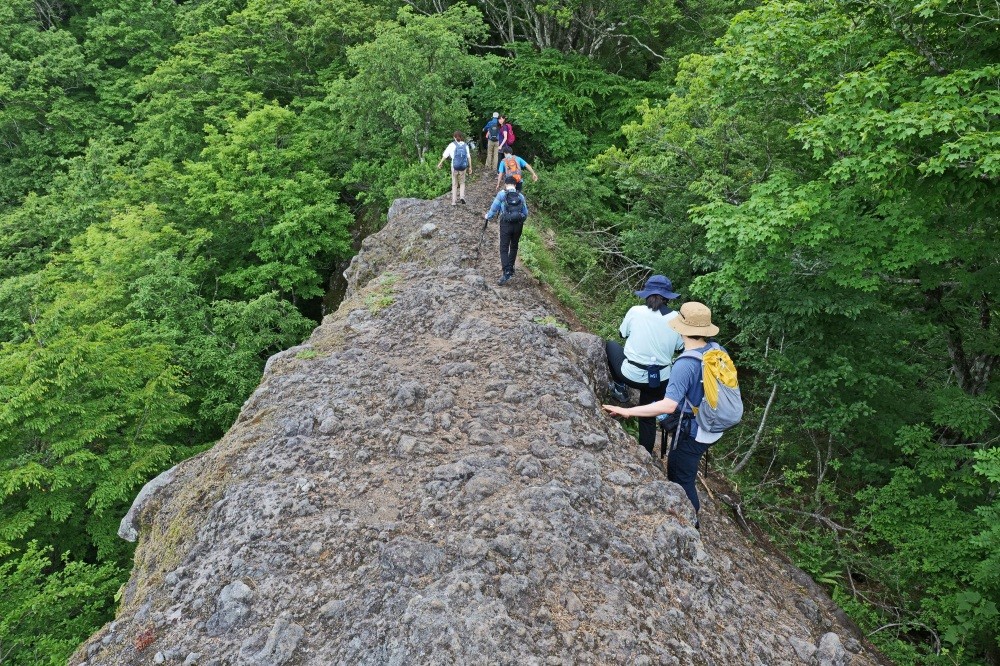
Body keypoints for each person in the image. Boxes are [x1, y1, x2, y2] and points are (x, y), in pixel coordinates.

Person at [603, 302, 725, 526]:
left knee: (680, 478)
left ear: (680, 328)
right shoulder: (716, 351)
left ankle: (691, 524)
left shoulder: (685, 364)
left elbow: (667, 406)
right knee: (684, 472)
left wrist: (627, 411)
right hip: (714, 425)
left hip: (694, 432)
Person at [605, 275, 684, 457]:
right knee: (647, 417)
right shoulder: (677, 319)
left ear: (646, 294)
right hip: (658, 381)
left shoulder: (635, 311)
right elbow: (680, 348)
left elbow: (622, 334)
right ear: (667, 297)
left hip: (629, 374)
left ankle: (620, 389)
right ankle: (645, 453)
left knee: (611, 345)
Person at [484, 176, 528, 285]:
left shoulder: (502, 194)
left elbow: (494, 209)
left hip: (506, 224)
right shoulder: (520, 196)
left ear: (506, 184)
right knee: (514, 246)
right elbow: (525, 213)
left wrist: (488, 217)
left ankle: (506, 271)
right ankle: (511, 268)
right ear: (515, 184)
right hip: (518, 225)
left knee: (504, 247)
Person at [436, 131, 471, 205]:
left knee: (454, 184)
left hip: (454, 167)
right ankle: (462, 197)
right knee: (462, 183)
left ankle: (454, 201)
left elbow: (445, 155)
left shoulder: (452, 145)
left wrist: (440, 163)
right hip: (463, 167)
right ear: (461, 137)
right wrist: (470, 167)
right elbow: (468, 157)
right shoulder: (465, 145)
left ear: (454, 137)